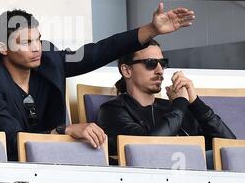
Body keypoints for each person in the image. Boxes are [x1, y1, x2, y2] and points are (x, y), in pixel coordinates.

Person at [0, 3, 195, 160]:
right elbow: (11, 141)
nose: (37, 47)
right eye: (26, 42)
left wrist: (152, 29)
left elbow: (98, 52)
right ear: (3, 48)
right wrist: (65, 130)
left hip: (54, 162)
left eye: (38, 39)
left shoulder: (48, 60)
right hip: (8, 173)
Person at [97, 39, 236, 162]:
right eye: (150, 63)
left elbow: (231, 150)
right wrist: (180, 102)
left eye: (162, 63)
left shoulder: (175, 108)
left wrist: (195, 103)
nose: (160, 70)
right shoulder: (112, 110)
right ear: (127, 70)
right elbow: (147, 146)